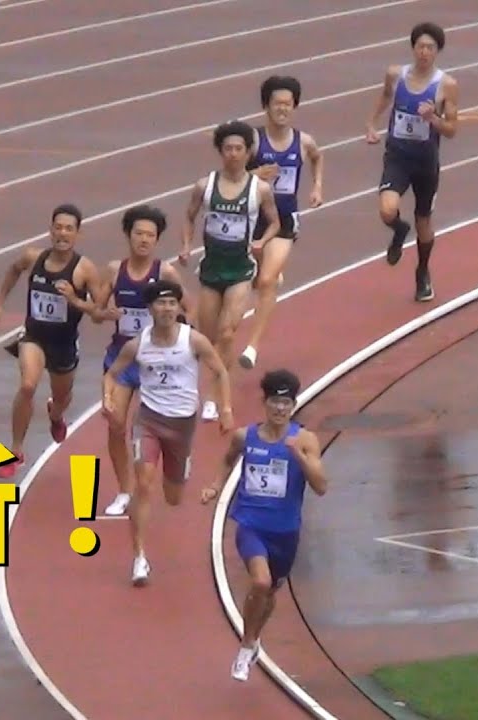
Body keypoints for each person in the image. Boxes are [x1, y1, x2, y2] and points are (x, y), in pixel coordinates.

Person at [200, 369, 327, 682]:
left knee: (269, 592)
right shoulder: (246, 437)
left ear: (293, 405)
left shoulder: (305, 440)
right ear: (265, 403)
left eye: (286, 403)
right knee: (260, 582)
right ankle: (246, 646)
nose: (280, 408)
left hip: (285, 531)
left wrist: (300, 457)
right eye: (275, 402)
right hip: (250, 525)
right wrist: (215, 486)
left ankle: (254, 638)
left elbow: (321, 486)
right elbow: (228, 459)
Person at [104, 280, 234, 586]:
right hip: (148, 419)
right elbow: (112, 374)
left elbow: (220, 371)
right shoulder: (137, 345)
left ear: (178, 307)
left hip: (182, 423)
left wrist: (225, 408)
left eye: (172, 303)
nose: (166, 309)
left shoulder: (194, 340)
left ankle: (181, 467)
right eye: (161, 303)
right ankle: (139, 558)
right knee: (144, 484)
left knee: (173, 497)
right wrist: (107, 397)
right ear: (150, 309)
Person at [0, 203, 106, 479]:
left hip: (64, 343)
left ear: (78, 234)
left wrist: (74, 299)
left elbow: (99, 313)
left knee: (62, 396)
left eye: (69, 229)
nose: (62, 233)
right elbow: (13, 270)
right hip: (34, 336)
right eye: (58, 227)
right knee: (28, 385)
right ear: (50, 230)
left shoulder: (85, 269)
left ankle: (56, 415)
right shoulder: (33, 257)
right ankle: (16, 451)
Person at [180, 119, 281, 422]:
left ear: (248, 152)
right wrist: (186, 246)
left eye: (239, 149)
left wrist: (262, 241)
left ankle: (214, 396)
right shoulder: (205, 186)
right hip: (211, 270)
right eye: (228, 148)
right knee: (209, 339)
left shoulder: (259, 189)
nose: (233, 154)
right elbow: (189, 217)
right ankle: (213, 382)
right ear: (220, 151)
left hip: (240, 270)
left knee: (226, 334)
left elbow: (275, 222)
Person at [96, 204, 192, 517]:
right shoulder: (115, 270)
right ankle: (125, 490)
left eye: (150, 235)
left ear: (157, 239)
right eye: (139, 233)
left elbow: (189, 310)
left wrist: (177, 335)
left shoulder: (165, 273)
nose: (144, 240)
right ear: (129, 235)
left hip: (157, 361)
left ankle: (177, 460)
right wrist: (105, 313)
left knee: (165, 424)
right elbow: (96, 312)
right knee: (115, 423)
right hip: (122, 357)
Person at [364, 21, 459, 303]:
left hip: (426, 162)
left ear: (437, 51)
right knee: (387, 209)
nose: (424, 52)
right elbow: (385, 96)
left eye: (430, 47)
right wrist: (371, 123)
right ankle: (398, 229)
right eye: (420, 46)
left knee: (423, 221)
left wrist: (433, 119)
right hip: (398, 156)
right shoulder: (396, 75)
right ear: (413, 48)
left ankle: (422, 272)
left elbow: (451, 130)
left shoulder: (447, 85)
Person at [238, 75, 325, 371]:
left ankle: (252, 347)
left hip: (285, 220)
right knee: (257, 279)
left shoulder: (304, 142)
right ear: (266, 106)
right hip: (253, 219)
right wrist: (254, 175)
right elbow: (232, 175)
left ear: (295, 107)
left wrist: (317, 187)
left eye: (288, 104)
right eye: (277, 104)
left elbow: (317, 158)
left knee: (265, 282)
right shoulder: (253, 141)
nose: (282, 109)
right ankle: (270, 273)